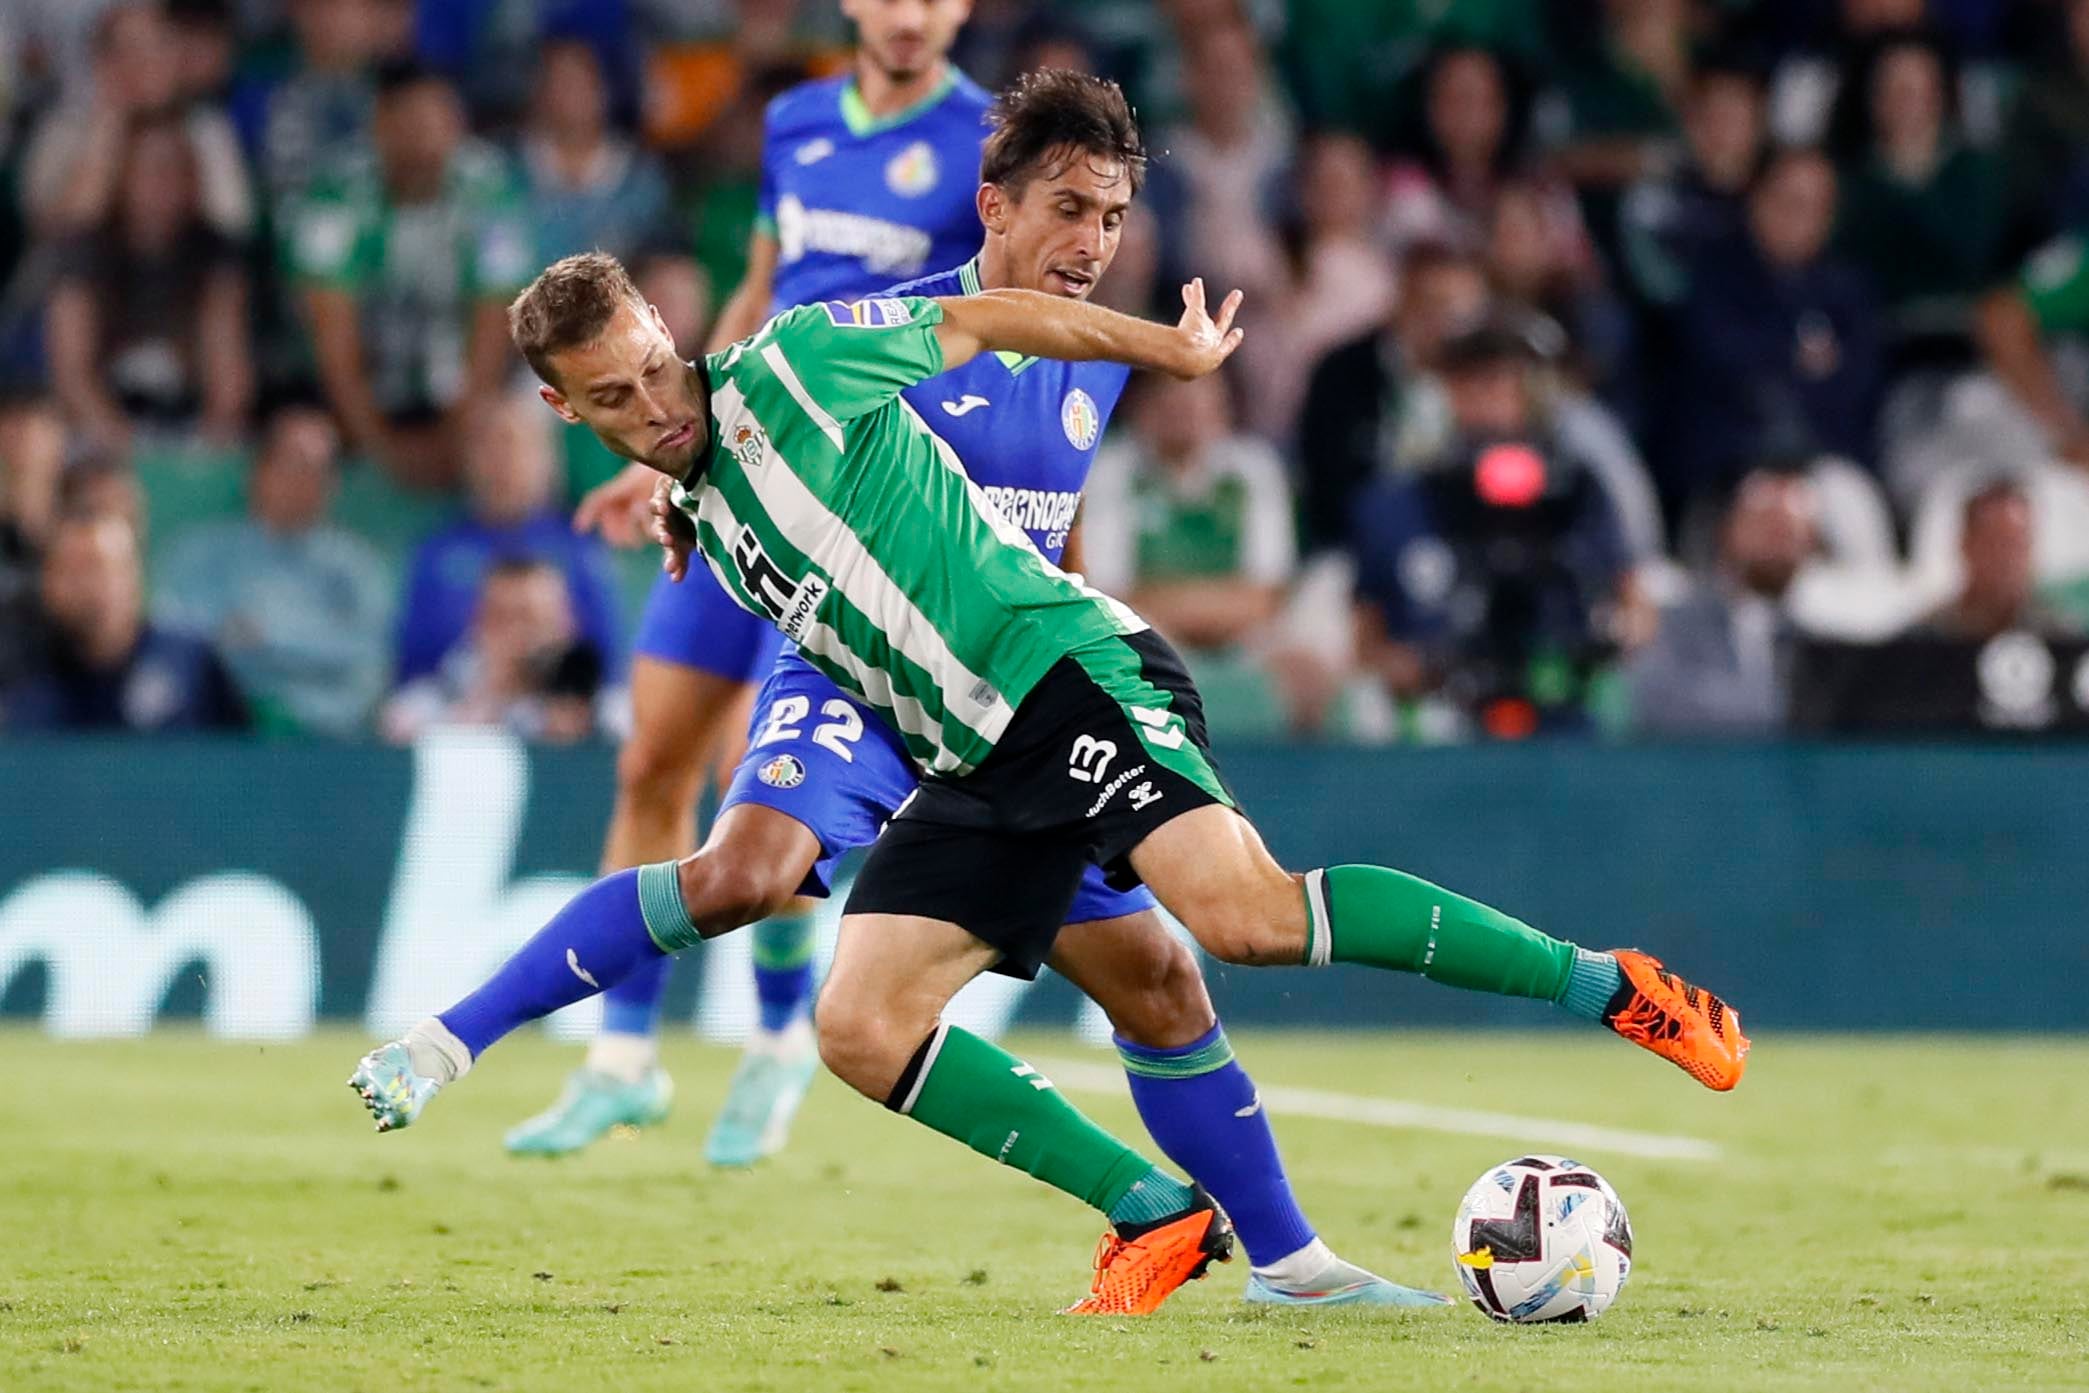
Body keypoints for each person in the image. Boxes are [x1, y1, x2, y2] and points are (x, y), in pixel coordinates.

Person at [350, 244, 1751, 1315]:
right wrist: (670, 501)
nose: (652, 404)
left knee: (1247, 920)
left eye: (656, 368)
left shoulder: (785, 365)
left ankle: (1612, 982)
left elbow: (985, 316)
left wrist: (1167, 351)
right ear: (559, 402)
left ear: (669, 331)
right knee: (864, 1022)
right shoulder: (698, 504)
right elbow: (722, 506)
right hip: (973, 759)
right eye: (610, 399)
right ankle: (1164, 1213)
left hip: (1067, 673)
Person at [504, 76, 1435, 1316]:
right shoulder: (899, 323)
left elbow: (1050, 549)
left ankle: (1289, 1265)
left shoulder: (1086, 357)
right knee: (750, 864)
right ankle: (701, 1045)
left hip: (1017, 701)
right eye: (1070, 210)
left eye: (1112, 216)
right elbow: (744, 420)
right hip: (858, 684)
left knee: (1158, 976)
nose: (1093, 242)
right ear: (994, 206)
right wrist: (676, 484)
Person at [529, 0, 993, 1171]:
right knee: (652, 760)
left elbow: (993, 315)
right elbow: (761, 287)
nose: (908, 15)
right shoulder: (792, 121)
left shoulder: (988, 139)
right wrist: (666, 424)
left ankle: (780, 1041)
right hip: (732, 459)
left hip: (862, 491)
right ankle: (620, 1062)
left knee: (773, 786)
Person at [283, 59, 532, 489]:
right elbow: (333, 341)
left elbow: (495, 328)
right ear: (380, 127)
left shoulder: (489, 191)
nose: (426, 146)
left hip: (458, 388)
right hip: (362, 392)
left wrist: (459, 434)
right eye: (411, 127)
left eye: (438, 126)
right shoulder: (336, 193)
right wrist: (382, 448)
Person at [154, 404, 391, 737]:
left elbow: (370, 662)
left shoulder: (355, 567)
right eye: (294, 465)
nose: (307, 481)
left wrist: (270, 635)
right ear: (259, 471)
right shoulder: (199, 554)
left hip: (325, 743)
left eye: (321, 470)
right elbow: (175, 645)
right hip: (217, 739)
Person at [44, 112, 254, 451]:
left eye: (174, 168)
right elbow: (72, 375)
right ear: (122, 174)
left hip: (187, 426)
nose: (162, 181)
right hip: (96, 430)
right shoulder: (83, 252)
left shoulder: (215, 255)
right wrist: (125, 445)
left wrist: (206, 442)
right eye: (149, 168)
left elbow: (230, 376)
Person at [392, 390, 620, 686]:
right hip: (456, 706)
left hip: (561, 705)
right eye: (485, 445)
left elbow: (608, 661)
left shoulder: (580, 550)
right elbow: (411, 665)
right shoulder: (436, 552)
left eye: (512, 444)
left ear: (546, 458)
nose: (501, 460)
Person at [1, 509, 246, 733]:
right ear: (47, 584)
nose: (84, 585)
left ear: (134, 577)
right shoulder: (21, 674)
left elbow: (243, 755)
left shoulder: (191, 662)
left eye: (95, 567)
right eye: (69, 570)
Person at [1628, 469, 1821, 736]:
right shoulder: (1674, 623)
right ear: (1728, 528)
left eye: (1792, 533)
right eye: (1767, 525)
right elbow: (1656, 703)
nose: (1779, 543)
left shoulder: (1818, 638)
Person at [382, 556, 611, 744]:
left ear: (566, 625)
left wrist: (582, 731)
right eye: (501, 619)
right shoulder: (427, 701)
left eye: (531, 619)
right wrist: (487, 698)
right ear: (477, 623)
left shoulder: (604, 706)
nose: (518, 634)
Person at [1914, 480, 2077, 642]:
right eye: (1996, 544)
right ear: (1966, 546)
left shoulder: (2061, 639)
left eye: (2017, 545)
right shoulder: (1925, 640)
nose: (2008, 559)